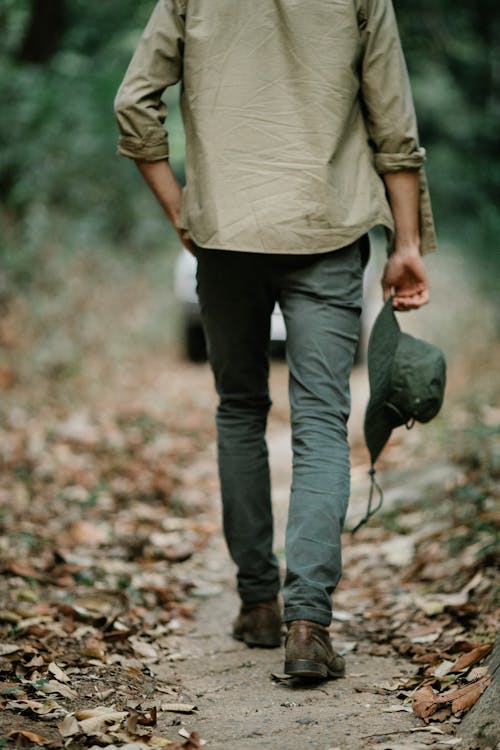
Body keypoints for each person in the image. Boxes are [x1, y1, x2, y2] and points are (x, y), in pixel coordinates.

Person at [115, 0, 436, 679]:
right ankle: (308, 624)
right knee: (321, 419)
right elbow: (393, 124)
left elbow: (135, 103)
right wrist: (406, 243)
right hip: (327, 229)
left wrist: (181, 207)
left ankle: (258, 603)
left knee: (239, 406)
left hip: (224, 235)